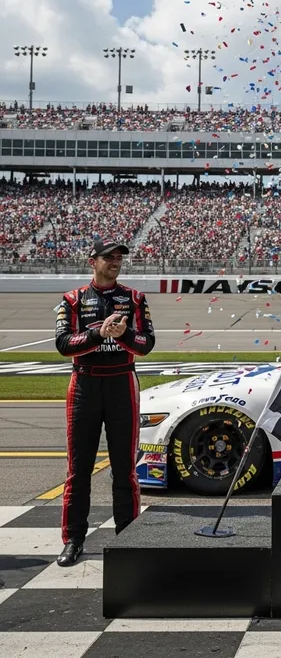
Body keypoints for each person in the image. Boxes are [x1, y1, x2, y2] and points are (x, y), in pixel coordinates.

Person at [54, 240, 156, 567]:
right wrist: (99, 334)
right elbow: (63, 345)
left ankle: (128, 536)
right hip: (83, 383)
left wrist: (124, 335)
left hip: (122, 383)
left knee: (125, 470)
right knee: (78, 469)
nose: (115, 262)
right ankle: (73, 539)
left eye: (119, 258)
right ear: (92, 262)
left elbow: (146, 344)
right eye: (108, 257)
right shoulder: (72, 299)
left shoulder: (135, 298)